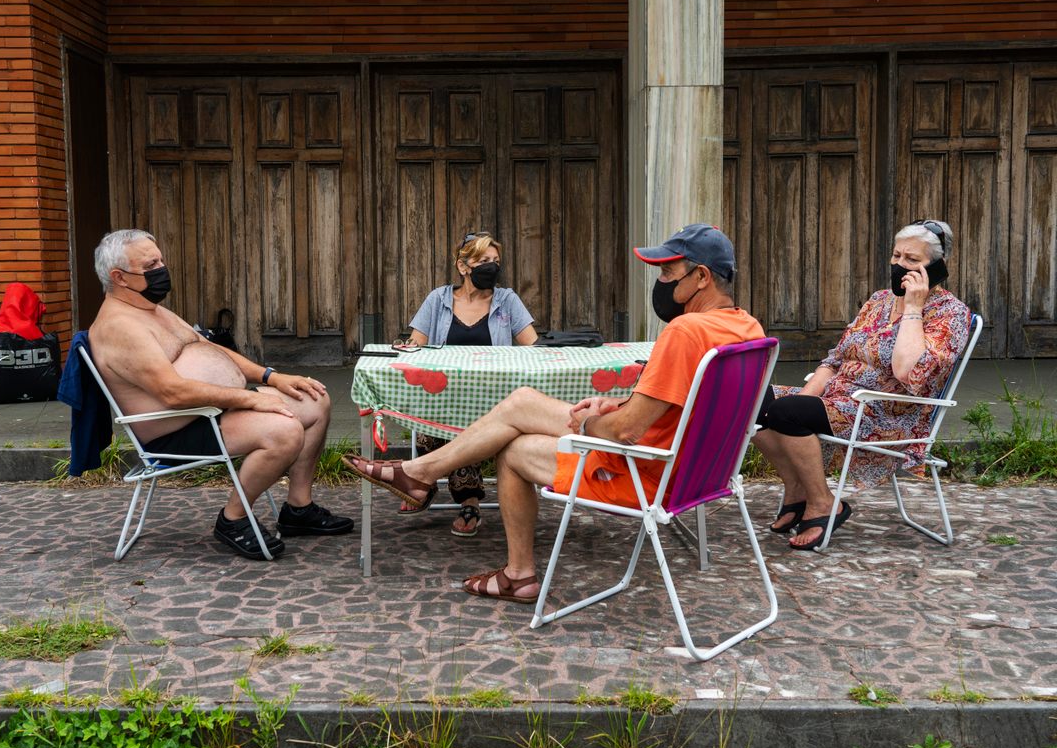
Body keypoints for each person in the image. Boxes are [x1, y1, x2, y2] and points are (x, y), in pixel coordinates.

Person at [345, 224, 764, 603]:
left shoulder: (684, 332)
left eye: (668, 274)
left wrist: (592, 421)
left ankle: (514, 570)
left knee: (514, 450)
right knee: (523, 401)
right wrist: (613, 404)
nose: (660, 282)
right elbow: (675, 406)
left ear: (702, 277)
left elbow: (625, 431)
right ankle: (420, 474)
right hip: (697, 471)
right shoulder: (748, 329)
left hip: (643, 473)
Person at [87, 229, 353, 560]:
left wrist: (271, 376)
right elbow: (173, 392)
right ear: (119, 277)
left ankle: (298, 509)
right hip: (177, 431)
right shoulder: (119, 326)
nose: (161, 268)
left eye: (160, 259)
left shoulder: (149, 308)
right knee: (284, 432)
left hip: (211, 412)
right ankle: (233, 518)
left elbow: (210, 348)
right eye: (151, 263)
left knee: (313, 398)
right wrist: (253, 398)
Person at [754, 219, 971, 550]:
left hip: (884, 414)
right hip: (837, 398)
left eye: (913, 260)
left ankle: (824, 503)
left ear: (938, 267)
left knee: (788, 412)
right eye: (897, 256)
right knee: (753, 403)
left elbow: (908, 372)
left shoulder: (950, 314)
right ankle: (797, 490)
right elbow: (836, 358)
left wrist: (913, 307)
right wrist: (802, 399)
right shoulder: (879, 300)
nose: (900, 265)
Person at [400, 231, 538, 536]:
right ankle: (429, 481)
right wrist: (409, 348)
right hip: (442, 393)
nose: (492, 267)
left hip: (492, 398)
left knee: (467, 421)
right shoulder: (438, 299)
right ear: (464, 267)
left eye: (496, 262)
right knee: (434, 416)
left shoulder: (506, 300)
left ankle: (467, 499)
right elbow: (415, 346)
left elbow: (533, 347)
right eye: (484, 261)